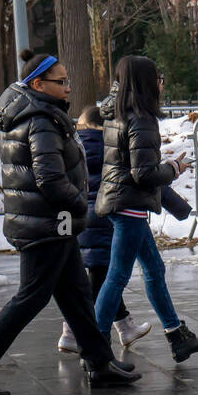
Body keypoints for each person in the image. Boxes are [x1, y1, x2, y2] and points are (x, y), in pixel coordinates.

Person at [0, 50, 139, 395]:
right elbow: (50, 179)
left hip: (52, 222)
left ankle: (99, 362)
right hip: (47, 224)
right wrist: (78, 201)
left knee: (76, 296)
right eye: (62, 82)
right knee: (32, 296)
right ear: (38, 84)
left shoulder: (40, 114)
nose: (68, 87)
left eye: (68, 80)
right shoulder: (40, 120)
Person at [93, 55, 198, 362]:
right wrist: (174, 167)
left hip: (123, 202)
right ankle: (94, 347)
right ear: (146, 82)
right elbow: (143, 173)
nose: (161, 83)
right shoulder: (141, 118)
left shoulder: (117, 112)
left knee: (154, 270)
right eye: (158, 78)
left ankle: (176, 336)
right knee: (118, 276)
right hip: (130, 205)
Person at [57, 104, 154, 354]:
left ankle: (124, 326)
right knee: (102, 276)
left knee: (101, 274)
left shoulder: (72, 147)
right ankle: (70, 331)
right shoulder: (108, 147)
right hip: (103, 217)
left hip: (78, 218)